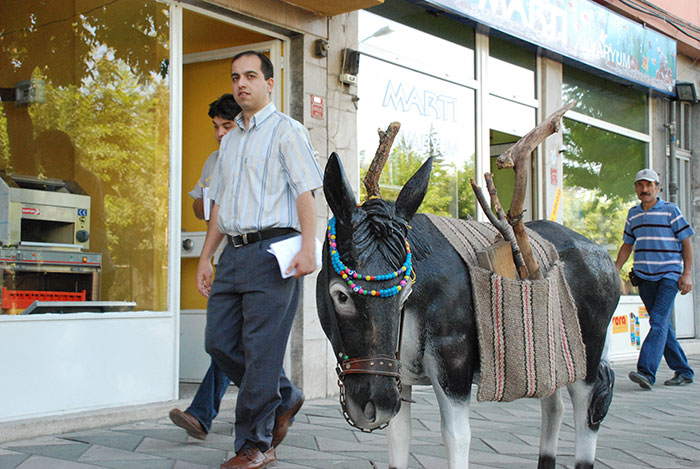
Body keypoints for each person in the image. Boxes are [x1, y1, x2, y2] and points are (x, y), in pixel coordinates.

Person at [196, 51, 322, 469]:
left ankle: (255, 444)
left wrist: (309, 246)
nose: (241, 84)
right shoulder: (229, 141)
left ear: (270, 83)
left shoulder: (288, 131)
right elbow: (219, 207)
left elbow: (306, 192)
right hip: (232, 253)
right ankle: (283, 394)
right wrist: (205, 257)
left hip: (274, 251)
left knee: (262, 350)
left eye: (251, 76)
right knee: (218, 341)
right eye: (235, 77)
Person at [169, 94, 240, 440]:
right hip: (224, 259)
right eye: (216, 127)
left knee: (232, 340)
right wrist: (206, 202)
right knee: (226, 340)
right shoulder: (214, 160)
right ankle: (277, 401)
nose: (220, 133)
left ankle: (203, 413)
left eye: (226, 126)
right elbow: (200, 209)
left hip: (253, 258)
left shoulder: (252, 156)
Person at [615, 168, 695, 390]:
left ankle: (646, 372)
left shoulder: (671, 211)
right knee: (662, 327)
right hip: (644, 277)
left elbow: (687, 242)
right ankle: (684, 371)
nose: (645, 189)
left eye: (649, 185)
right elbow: (627, 245)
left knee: (658, 322)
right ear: (636, 189)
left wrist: (686, 274)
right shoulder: (633, 214)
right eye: (640, 185)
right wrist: (615, 269)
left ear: (657, 188)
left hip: (669, 276)